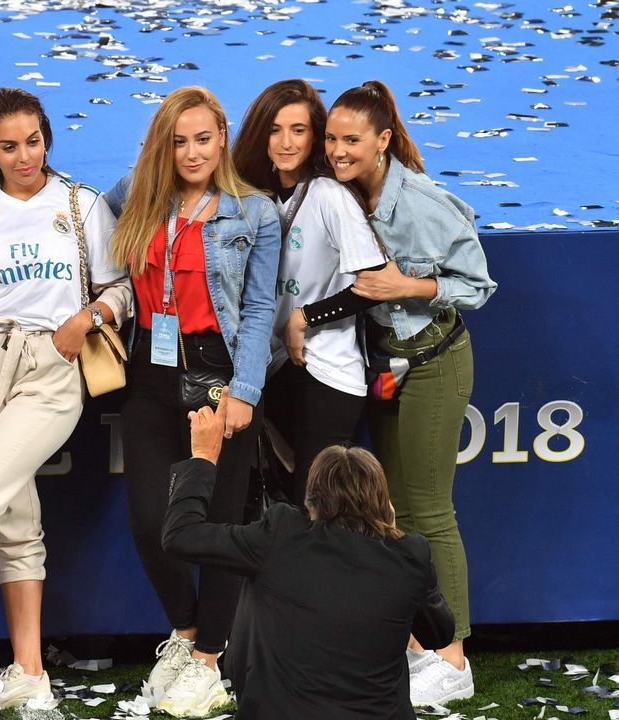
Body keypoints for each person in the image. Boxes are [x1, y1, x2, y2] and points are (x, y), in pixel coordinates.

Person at [0, 87, 132, 718]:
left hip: (53, 370)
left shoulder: (83, 205)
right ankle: (31, 673)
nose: (24, 156)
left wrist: (87, 318)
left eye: (33, 142)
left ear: (47, 140)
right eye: (8, 146)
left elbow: (125, 290)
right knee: (13, 523)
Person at [103, 86, 280, 717]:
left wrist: (246, 392)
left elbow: (260, 310)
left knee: (220, 527)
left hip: (219, 375)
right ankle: (184, 635)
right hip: (150, 371)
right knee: (152, 522)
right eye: (178, 141)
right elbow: (113, 263)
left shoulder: (254, 212)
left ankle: (210, 661)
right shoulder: (134, 194)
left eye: (202, 138)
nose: (191, 152)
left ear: (223, 137)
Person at [325, 80, 497, 705]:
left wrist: (406, 286)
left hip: (433, 362)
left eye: (351, 140)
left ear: (383, 141)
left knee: (429, 508)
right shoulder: (337, 198)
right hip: (383, 369)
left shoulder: (422, 201)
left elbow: (477, 285)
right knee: (390, 508)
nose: (338, 150)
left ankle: (454, 656)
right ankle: (417, 648)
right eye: (332, 138)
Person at [162, 394, 456, 720]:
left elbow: (181, 536)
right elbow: (439, 635)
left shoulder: (280, 534)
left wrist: (203, 457)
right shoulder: (409, 557)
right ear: (383, 503)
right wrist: (394, 536)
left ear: (312, 501)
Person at [233, 79, 386, 503]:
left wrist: (305, 317)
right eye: (275, 129)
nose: (285, 142)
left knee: (313, 509)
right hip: (277, 371)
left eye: (298, 130)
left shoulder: (328, 196)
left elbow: (372, 282)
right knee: (280, 503)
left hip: (327, 372)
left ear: (314, 136)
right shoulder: (253, 198)